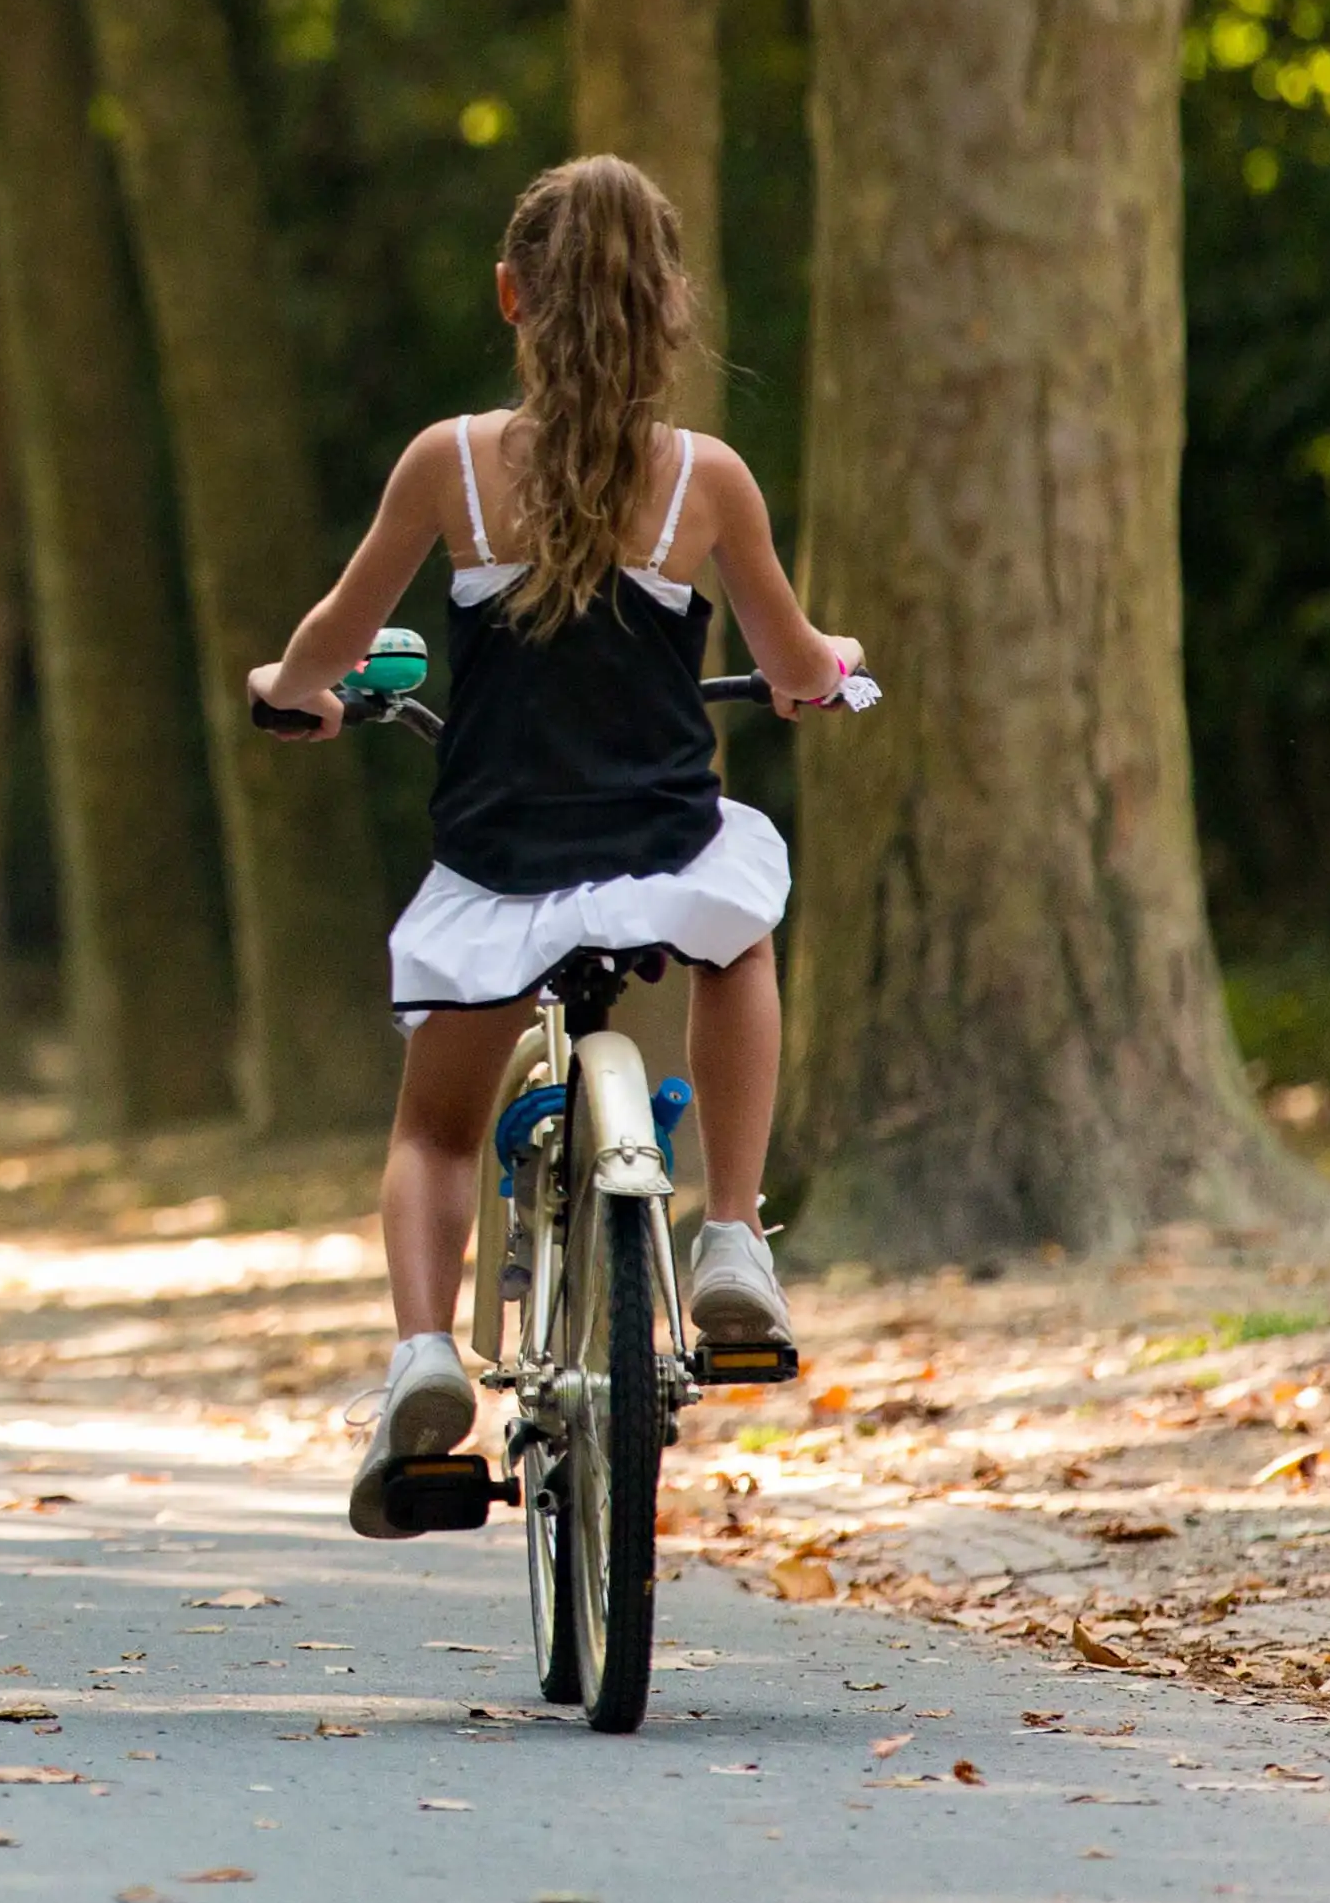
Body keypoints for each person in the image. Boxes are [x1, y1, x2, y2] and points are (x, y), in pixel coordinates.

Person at [241, 154, 868, 1538]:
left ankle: (422, 1360)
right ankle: (734, 1238)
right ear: (671, 311)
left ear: (512, 295)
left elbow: (339, 633)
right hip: (660, 844)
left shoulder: (451, 466)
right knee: (741, 933)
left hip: (497, 864)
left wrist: (292, 692)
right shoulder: (708, 482)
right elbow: (790, 657)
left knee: (437, 1127)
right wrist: (826, 671)